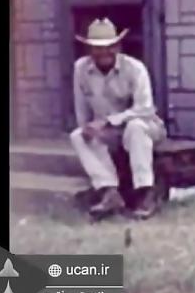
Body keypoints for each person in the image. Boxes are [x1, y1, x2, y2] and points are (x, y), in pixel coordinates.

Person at [69, 18, 166, 220]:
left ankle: (145, 192)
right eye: (97, 48)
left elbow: (145, 108)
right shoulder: (81, 69)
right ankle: (108, 191)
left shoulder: (135, 68)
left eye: (109, 47)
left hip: (146, 125)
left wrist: (109, 121)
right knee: (79, 135)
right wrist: (88, 128)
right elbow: (82, 109)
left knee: (135, 127)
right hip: (109, 131)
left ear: (118, 46)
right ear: (89, 49)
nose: (104, 52)